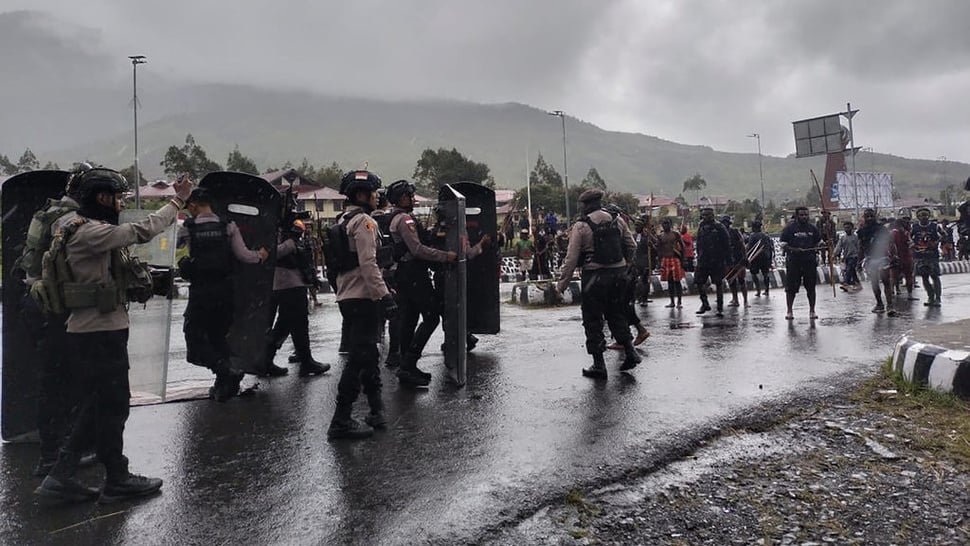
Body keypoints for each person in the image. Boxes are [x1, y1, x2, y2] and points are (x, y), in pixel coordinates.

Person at [35, 169, 192, 503]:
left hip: (90, 329)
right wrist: (177, 200)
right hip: (100, 331)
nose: (121, 203)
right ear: (102, 198)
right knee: (112, 404)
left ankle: (61, 474)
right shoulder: (90, 232)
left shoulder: (68, 225)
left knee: (98, 404)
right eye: (118, 197)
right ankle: (115, 478)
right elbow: (142, 230)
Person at [15, 167, 90, 478]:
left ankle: (54, 451)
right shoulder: (71, 220)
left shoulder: (46, 211)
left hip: (33, 300)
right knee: (61, 382)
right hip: (53, 305)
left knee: (53, 380)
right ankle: (54, 456)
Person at [178, 188, 269, 401]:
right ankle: (225, 385)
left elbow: (169, 243)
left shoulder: (188, 228)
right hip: (225, 292)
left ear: (194, 205)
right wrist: (261, 255)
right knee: (218, 337)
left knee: (194, 336)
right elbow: (244, 256)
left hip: (201, 291)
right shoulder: (228, 226)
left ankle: (225, 370)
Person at [327, 170, 397, 440]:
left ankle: (377, 410)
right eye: (374, 191)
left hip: (347, 296)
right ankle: (341, 420)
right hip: (364, 296)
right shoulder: (365, 222)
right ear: (361, 195)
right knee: (359, 358)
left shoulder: (343, 219)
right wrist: (385, 296)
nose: (377, 196)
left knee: (367, 355)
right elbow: (368, 264)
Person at [556, 189, 639, 379]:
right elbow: (632, 246)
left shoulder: (581, 226)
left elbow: (571, 259)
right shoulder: (617, 220)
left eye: (583, 205)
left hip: (594, 277)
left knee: (593, 319)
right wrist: (624, 266)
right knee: (617, 313)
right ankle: (631, 352)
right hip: (618, 275)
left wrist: (561, 286)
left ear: (587, 205)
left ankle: (599, 365)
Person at [386, 179, 457, 387]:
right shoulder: (405, 219)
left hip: (404, 275)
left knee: (409, 319)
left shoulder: (394, 218)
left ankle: (406, 367)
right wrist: (446, 256)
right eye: (409, 195)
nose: (413, 199)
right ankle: (408, 363)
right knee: (432, 316)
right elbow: (417, 249)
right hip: (414, 274)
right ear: (401, 199)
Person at [262, 217, 331, 378]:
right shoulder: (277, 233)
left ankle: (266, 360)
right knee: (299, 325)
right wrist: (291, 243)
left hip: (288, 284)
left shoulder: (278, 231)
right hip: (289, 286)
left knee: (285, 325)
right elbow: (271, 253)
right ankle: (306, 362)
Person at [779, 206, 821, 320]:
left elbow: (818, 242)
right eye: (801, 215)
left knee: (811, 287)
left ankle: (812, 311)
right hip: (794, 262)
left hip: (809, 262)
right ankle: (789, 311)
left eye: (806, 215)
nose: (804, 217)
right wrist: (794, 249)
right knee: (791, 288)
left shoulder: (813, 228)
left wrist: (820, 247)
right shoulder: (789, 229)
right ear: (797, 216)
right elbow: (783, 244)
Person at [693, 208, 731, 317]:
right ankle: (704, 303)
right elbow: (699, 242)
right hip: (703, 260)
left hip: (717, 260)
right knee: (698, 282)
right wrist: (698, 256)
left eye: (707, 215)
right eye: (703, 215)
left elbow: (727, 244)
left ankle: (719, 308)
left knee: (718, 283)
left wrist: (727, 260)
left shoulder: (719, 227)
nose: (705, 217)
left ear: (712, 216)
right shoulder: (701, 226)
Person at [857, 208, 893, 314]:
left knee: (886, 280)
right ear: (864, 217)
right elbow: (861, 247)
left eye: (871, 216)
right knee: (874, 282)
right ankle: (879, 304)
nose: (869, 218)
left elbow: (891, 242)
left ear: (875, 216)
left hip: (883, 257)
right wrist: (859, 261)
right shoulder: (862, 231)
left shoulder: (882, 229)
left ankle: (890, 305)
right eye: (867, 216)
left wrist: (894, 255)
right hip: (870, 259)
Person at [911, 207, 942, 307]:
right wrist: (912, 244)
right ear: (918, 217)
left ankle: (938, 298)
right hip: (919, 255)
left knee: (935, 276)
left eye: (925, 215)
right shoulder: (914, 227)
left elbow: (944, 235)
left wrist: (935, 243)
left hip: (932, 255)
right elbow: (909, 237)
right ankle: (930, 296)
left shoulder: (935, 226)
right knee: (924, 277)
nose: (923, 217)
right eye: (921, 216)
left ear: (928, 216)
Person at [656, 217, 685, 308]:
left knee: (677, 281)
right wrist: (658, 260)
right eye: (664, 224)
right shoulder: (660, 236)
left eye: (667, 223)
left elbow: (682, 246)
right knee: (670, 282)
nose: (665, 225)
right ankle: (672, 302)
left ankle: (679, 302)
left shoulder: (675, 234)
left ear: (670, 224)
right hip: (665, 259)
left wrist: (683, 259)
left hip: (675, 259)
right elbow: (658, 248)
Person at [720, 215, 748, 307]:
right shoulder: (721, 234)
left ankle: (745, 301)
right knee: (731, 281)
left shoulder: (735, 232)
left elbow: (742, 245)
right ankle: (735, 299)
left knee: (741, 280)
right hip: (728, 261)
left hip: (738, 260)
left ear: (729, 224)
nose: (725, 225)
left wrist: (745, 257)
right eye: (723, 223)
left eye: (726, 223)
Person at [890, 216, 916, 301]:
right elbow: (911, 243)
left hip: (896, 258)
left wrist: (893, 255)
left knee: (894, 276)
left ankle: (893, 291)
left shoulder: (893, 233)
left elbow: (891, 245)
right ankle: (909, 295)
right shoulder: (906, 233)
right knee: (908, 276)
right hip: (906, 257)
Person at [746, 220, 775, 297]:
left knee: (754, 274)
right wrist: (770, 259)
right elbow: (771, 247)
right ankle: (766, 290)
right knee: (765, 274)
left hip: (755, 258)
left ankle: (758, 290)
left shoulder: (752, 236)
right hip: (765, 258)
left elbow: (749, 247)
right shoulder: (766, 236)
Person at [833, 221, 860, 288]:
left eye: (848, 227)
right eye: (845, 228)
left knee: (849, 269)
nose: (847, 229)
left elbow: (859, 247)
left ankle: (846, 283)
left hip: (854, 256)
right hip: (847, 257)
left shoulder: (856, 237)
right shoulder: (843, 238)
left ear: (852, 228)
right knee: (852, 271)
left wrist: (860, 257)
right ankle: (857, 283)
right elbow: (838, 247)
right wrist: (834, 254)